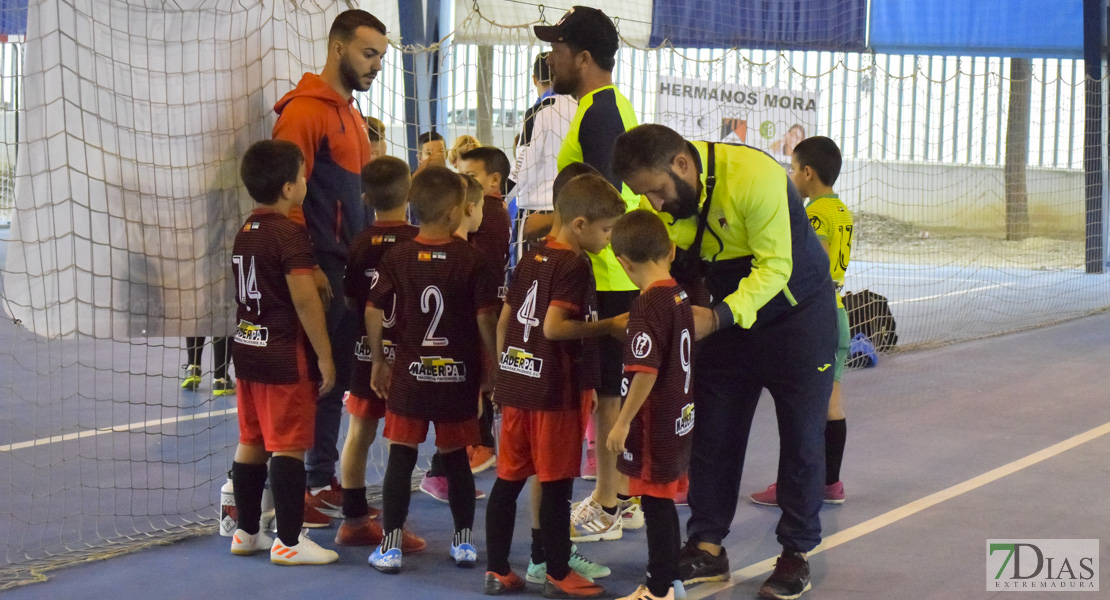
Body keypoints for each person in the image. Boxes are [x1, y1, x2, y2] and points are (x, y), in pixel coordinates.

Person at [611, 124, 837, 600]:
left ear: (682, 165)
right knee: (713, 431)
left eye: (656, 192)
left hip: (796, 315)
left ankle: (795, 552)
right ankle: (707, 547)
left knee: (801, 436)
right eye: (643, 196)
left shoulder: (755, 176)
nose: (654, 204)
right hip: (726, 315)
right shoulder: (667, 200)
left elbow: (776, 268)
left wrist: (716, 318)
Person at [482, 174, 626, 598]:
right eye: (606, 229)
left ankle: (497, 570)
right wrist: (610, 325)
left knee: (508, 480)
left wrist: (504, 372)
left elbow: (508, 320)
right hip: (554, 392)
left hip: (518, 386)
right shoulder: (575, 265)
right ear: (579, 224)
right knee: (558, 483)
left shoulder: (531, 256)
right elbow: (556, 327)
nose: (609, 238)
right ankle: (558, 572)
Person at [534, 4, 642, 543]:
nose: (550, 58)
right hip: (604, 273)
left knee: (607, 395)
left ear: (581, 56)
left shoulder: (601, 113)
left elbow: (608, 202)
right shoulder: (598, 107)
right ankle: (618, 493)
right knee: (606, 392)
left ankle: (611, 501)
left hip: (608, 278)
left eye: (556, 49)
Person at [272, 9, 385, 525]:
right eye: (368, 53)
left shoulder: (350, 112)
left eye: (381, 56)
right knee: (314, 380)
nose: (376, 64)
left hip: (346, 267)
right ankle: (299, 484)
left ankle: (319, 477)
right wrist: (307, 265)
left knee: (333, 380)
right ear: (338, 48)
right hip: (319, 268)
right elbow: (286, 196)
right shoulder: (304, 113)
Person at [366, 167, 500, 573]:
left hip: (409, 375)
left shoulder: (398, 255)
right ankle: (463, 543)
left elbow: (373, 309)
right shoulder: (473, 260)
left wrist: (378, 358)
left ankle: (389, 547)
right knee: (456, 457)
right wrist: (493, 367)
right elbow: (485, 320)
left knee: (401, 458)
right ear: (454, 212)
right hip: (456, 376)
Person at [226, 139, 338, 565]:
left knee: (251, 440)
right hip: (282, 354)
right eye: (304, 175)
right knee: (288, 445)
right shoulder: (290, 232)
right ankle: (289, 540)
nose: (307, 181)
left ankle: (246, 530)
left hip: (248, 349)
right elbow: (304, 300)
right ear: (290, 188)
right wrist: (324, 355)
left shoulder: (247, 229)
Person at [606, 210, 707, 600]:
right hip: (681, 416)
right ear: (671, 249)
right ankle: (671, 581)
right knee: (661, 500)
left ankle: (658, 587)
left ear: (623, 263)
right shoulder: (679, 294)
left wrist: (622, 422)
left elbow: (645, 371)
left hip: (655, 422)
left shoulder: (647, 306)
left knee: (657, 505)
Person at [751, 136, 852, 508]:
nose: (790, 175)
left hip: (816, 315)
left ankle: (793, 486)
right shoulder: (840, 210)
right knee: (830, 406)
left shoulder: (813, 215)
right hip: (838, 312)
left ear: (808, 173)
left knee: (801, 408)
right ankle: (830, 483)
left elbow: (816, 264)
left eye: (792, 169)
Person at [333, 156, 427, 553]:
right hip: (404, 355)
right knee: (400, 439)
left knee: (358, 431)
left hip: (365, 351)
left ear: (365, 197)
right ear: (409, 193)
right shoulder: (418, 242)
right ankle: (394, 525)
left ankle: (353, 519)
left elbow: (354, 300)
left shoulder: (358, 241)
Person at [510, 52, 578, 248]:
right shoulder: (582, 107)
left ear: (534, 79)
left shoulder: (538, 111)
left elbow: (523, 167)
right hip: (570, 211)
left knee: (529, 273)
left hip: (536, 212)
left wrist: (498, 196)